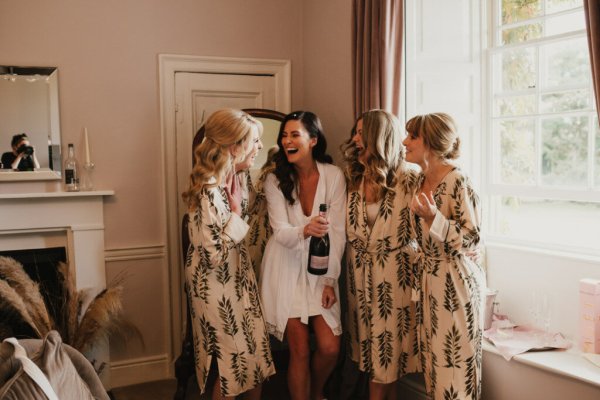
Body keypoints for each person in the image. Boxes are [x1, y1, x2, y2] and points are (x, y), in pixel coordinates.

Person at [182, 109, 275, 400]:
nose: (259, 147)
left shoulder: (239, 179)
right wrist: (235, 218)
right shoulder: (208, 190)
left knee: (254, 363)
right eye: (254, 141)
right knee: (230, 370)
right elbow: (213, 255)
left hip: (238, 282)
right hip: (216, 289)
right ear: (234, 147)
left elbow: (256, 209)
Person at [260, 111, 346, 400]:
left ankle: (315, 392)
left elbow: (338, 232)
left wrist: (331, 280)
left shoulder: (334, 176)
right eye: (284, 135)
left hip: (321, 270)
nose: (287, 141)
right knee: (298, 350)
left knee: (330, 346)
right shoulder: (275, 180)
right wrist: (306, 229)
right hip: (286, 268)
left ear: (313, 140)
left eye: (294, 134)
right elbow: (281, 232)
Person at [403, 113, 484, 400]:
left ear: (431, 142)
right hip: (428, 286)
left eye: (412, 136)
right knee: (435, 369)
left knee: (454, 370)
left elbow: (472, 237)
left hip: (455, 286)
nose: (404, 142)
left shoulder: (459, 181)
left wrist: (435, 217)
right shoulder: (417, 182)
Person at [342, 110, 421, 400]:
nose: (354, 138)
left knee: (384, 363)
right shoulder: (355, 176)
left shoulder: (409, 178)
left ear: (378, 135)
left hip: (394, 280)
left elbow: (423, 229)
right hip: (360, 280)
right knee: (377, 363)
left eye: (361, 132)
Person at [246, 145, 279, 280]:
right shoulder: (271, 174)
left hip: (256, 223)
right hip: (265, 223)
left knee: (257, 264)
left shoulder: (262, 173)